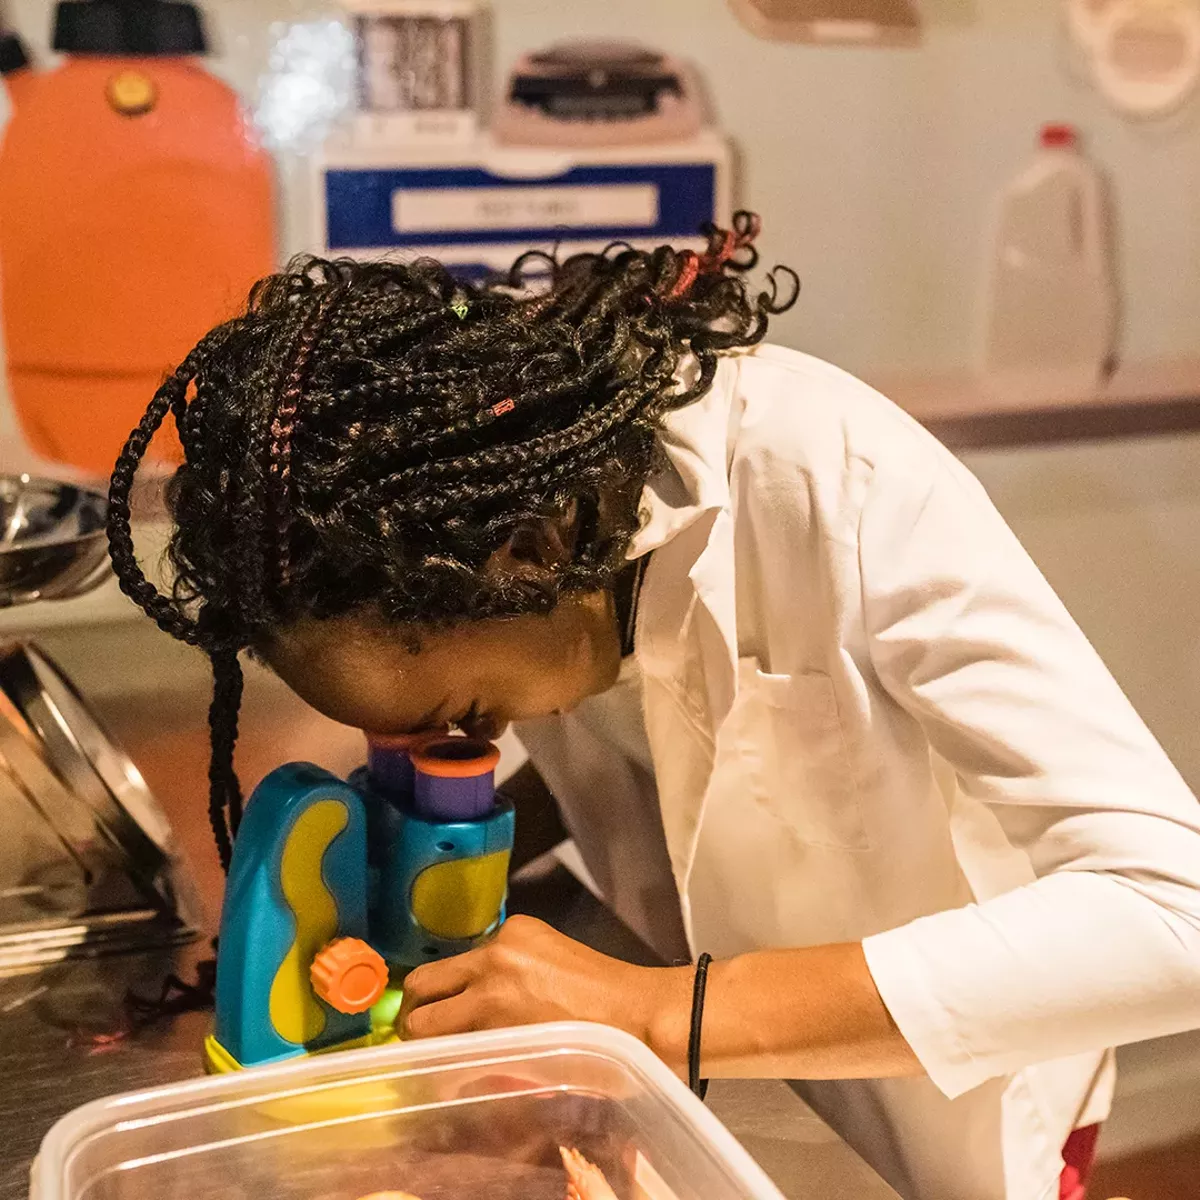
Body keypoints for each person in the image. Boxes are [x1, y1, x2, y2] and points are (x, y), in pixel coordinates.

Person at [107, 215, 1200, 1200]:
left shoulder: (838, 483)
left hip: (945, 1115)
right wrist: (421, 855)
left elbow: (1171, 918)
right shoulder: (515, 514)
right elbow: (665, 746)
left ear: (529, 554)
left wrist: (651, 1011)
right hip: (719, 1104)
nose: (448, 752)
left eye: (469, 713)